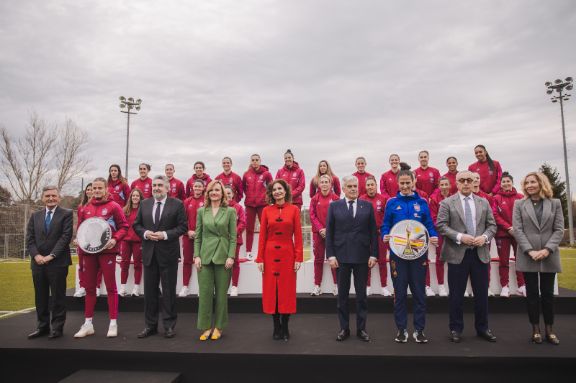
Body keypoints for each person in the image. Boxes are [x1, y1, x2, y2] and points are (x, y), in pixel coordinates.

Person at [436, 170, 497, 343]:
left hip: (479, 255)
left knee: (481, 295)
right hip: (457, 255)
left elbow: (492, 226)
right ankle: (456, 328)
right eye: (462, 180)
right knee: (456, 295)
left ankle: (483, 328)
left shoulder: (483, 202)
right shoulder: (447, 203)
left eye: (469, 180)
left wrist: (484, 237)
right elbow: (441, 225)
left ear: (474, 182)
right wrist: (460, 237)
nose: (465, 183)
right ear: (456, 182)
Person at [381, 170, 438, 343]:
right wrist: (385, 235)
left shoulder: (422, 202)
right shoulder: (391, 203)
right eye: (402, 183)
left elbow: (428, 224)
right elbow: (386, 225)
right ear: (397, 184)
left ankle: (419, 330)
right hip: (397, 256)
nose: (405, 186)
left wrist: (434, 236)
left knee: (419, 293)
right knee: (399, 293)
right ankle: (401, 329)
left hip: (418, 256)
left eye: (408, 183)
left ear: (413, 182)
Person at [133, 175, 188, 339]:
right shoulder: (144, 204)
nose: (156, 188)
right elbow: (136, 225)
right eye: (154, 185)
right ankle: (150, 326)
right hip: (149, 254)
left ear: (167, 188)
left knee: (169, 291)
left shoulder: (177, 204)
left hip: (168, 255)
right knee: (149, 293)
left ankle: (169, 326)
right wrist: (146, 233)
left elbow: (183, 227)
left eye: (159, 185)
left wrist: (165, 234)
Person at [513, 172, 564, 345]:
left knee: (548, 295)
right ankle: (535, 329)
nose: (529, 185)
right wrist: (530, 251)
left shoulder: (555, 203)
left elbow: (559, 229)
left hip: (549, 255)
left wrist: (548, 249)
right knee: (532, 295)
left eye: (533, 182)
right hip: (529, 256)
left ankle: (550, 330)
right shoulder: (519, 204)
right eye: (526, 183)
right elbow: (518, 230)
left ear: (541, 183)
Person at [74, 177, 129, 338]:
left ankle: (113, 323)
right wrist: (78, 240)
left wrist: (114, 239)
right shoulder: (86, 208)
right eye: (94, 188)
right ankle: (88, 324)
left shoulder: (114, 206)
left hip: (107, 253)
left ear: (106, 189)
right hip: (89, 254)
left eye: (100, 188)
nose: (96, 190)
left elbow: (124, 227)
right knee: (90, 288)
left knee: (111, 288)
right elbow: (81, 230)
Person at [326, 175, 378, 342]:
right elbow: (330, 233)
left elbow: (373, 233)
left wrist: (374, 254)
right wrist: (331, 255)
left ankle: (361, 329)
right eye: (350, 186)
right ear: (343, 189)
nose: (354, 189)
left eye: (355, 186)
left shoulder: (367, 206)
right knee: (342, 296)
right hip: (341, 257)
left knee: (361, 296)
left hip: (362, 257)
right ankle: (344, 328)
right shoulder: (334, 206)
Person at [256, 179, 303, 341]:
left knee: (287, 291)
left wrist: (299, 258)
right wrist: (260, 259)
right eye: (274, 189)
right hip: (269, 256)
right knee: (272, 292)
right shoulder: (266, 211)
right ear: (271, 193)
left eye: (280, 189)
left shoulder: (294, 210)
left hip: (288, 255)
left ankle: (286, 325)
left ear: (285, 191)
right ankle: (276, 326)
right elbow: (262, 237)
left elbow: (298, 235)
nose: (277, 191)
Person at [26, 186, 73, 339]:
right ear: (42, 198)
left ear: (59, 198)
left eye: (53, 195)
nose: (51, 198)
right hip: (38, 263)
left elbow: (65, 238)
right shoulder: (35, 216)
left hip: (58, 263)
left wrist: (51, 255)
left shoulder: (66, 214)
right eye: (47, 196)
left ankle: (57, 328)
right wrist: (36, 255)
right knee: (40, 297)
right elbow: (30, 239)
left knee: (58, 297)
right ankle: (42, 327)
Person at [194, 180, 237, 341]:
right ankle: (205, 327)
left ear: (222, 193)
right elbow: (198, 236)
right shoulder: (201, 211)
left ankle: (218, 327)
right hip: (204, 257)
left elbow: (233, 236)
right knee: (204, 294)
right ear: (208, 193)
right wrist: (196, 256)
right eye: (211, 190)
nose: (214, 192)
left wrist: (231, 256)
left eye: (217, 190)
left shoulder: (230, 211)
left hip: (223, 257)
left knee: (221, 295)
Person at [492, 172, 526, 297]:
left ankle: (522, 286)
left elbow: (525, 214)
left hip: (518, 233)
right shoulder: (496, 198)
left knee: (520, 260)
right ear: (500, 184)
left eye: (508, 181)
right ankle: (504, 286)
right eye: (503, 182)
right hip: (502, 234)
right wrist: (508, 227)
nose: (506, 183)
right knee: (504, 261)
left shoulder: (520, 197)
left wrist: (516, 228)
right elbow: (495, 215)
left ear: (512, 182)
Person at [360, 176, 392, 297]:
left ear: (376, 185)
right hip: (366, 235)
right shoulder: (361, 199)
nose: (370, 187)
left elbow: (387, 218)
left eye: (372, 184)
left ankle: (384, 287)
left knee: (382, 261)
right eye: (368, 185)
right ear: (365, 187)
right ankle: (367, 287)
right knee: (366, 261)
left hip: (380, 234)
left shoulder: (383, 199)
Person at [309, 174, 339, 296]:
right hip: (318, 233)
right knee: (318, 259)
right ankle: (317, 286)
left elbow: (338, 216)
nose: (325, 184)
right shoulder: (315, 199)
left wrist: (329, 229)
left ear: (331, 184)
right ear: (319, 184)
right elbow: (312, 215)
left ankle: (337, 285)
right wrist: (321, 229)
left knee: (334, 260)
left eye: (327, 181)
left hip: (332, 234)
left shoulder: (336, 198)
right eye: (322, 182)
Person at [74, 183, 103, 298]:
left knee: (98, 265)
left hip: (96, 240)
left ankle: (97, 287)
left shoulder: (100, 205)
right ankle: (82, 287)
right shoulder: (81, 207)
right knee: (82, 264)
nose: (90, 191)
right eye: (88, 189)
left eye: (92, 189)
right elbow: (80, 224)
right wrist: (78, 238)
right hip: (84, 240)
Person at [242, 154, 273, 260]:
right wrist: (251, 197)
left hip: (263, 205)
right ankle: (248, 252)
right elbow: (244, 188)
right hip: (250, 204)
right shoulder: (246, 174)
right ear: (250, 161)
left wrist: (265, 199)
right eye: (253, 160)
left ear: (260, 161)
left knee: (265, 228)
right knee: (249, 229)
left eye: (256, 160)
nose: (255, 162)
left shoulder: (266, 174)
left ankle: (266, 251)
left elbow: (271, 188)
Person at [179, 179, 205, 297]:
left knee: (203, 262)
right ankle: (185, 287)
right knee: (187, 261)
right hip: (188, 236)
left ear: (203, 188)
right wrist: (188, 230)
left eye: (200, 186)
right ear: (192, 188)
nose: (197, 188)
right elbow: (182, 219)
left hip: (203, 237)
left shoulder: (206, 201)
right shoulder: (186, 201)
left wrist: (200, 232)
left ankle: (202, 287)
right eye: (195, 186)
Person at [427, 177, 451, 297]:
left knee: (455, 259)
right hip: (441, 232)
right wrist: (445, 229)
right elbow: (433, 217)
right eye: (442, 184)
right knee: (440, 259)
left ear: (450, 185)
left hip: (454, 233)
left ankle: (453, 285)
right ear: (439, 186)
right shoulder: (435, 199)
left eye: (446, 184)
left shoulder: (455, 198)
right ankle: (441, 286)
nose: (444, 186)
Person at [119, 188, 144, 297]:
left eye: (137, 196)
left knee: (138, 265)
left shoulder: (143, 210)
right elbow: (121, 226)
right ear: (130, 197)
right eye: (133, 196)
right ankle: (123, 288)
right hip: (126, 241)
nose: (135, 197)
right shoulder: (124, 210)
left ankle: (136, 288)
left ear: (140, 198)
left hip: (138, 242)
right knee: (124, 264)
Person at [225, 185, 246, 297]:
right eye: (225, 193)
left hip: (235, 240)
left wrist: (233, 234)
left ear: (233, 194)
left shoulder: (238, 207)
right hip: (222, 241)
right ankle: (222, 286)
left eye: (229, 193)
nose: (227, 195)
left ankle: (234, 286)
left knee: (234, 262)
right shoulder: (219, 207)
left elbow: (242, 223)